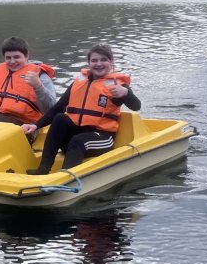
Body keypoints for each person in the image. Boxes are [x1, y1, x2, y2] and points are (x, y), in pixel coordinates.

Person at [21, 44, 141, 174]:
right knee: (60, 118)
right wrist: (35, 125)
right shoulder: (79, 82)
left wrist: (126, 93)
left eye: (103, 60)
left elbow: (136, 106)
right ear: (89, 63)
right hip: (75, 140)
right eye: (94, 60)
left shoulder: (117, 86)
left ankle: (66, 178)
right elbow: (57, 109)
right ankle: (43, 169)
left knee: (78, 140)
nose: (98, 64)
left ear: (111, 62)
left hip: (101, 139)